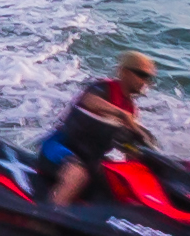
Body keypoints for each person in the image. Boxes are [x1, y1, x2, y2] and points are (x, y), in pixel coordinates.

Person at [39, 52, 157, 207]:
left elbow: (128, 148)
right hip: (59, 148)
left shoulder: (131, 110)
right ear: (125, 72)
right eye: (141, 75)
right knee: (77, 175)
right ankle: (47, 219)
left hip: (91, 160)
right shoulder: (103, 88)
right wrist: (120, 114)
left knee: (117, 185)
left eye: (149, 77)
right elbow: (89, 101)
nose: (145, 81)